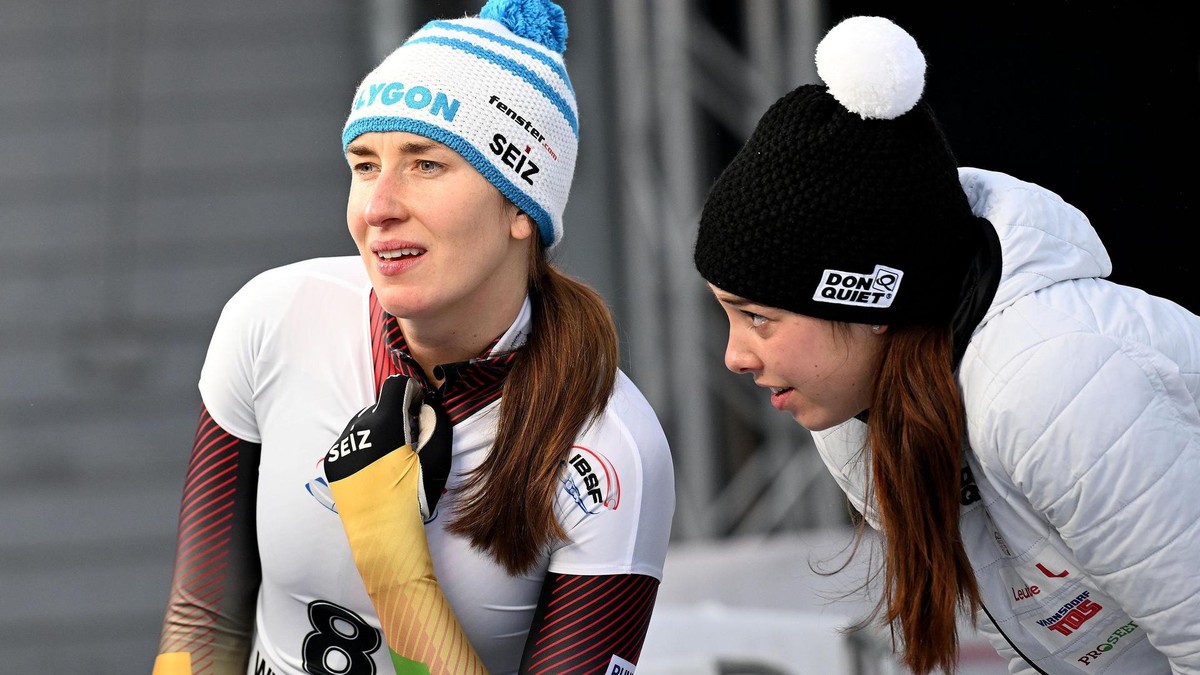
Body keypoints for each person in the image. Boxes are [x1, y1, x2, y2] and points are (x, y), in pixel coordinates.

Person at [152, 0, 676, 673]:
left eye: (425, 164)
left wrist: (395, 568)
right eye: (365, 164)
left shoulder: (611, 449)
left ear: (521, 204)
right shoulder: (273, 316)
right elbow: (202, 617)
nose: (378, 208)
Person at [693, 15, 1199, 675]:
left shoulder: (1055, 388)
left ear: (869, 298)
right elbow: (1047, 648)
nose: (735, 355)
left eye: (758, 317)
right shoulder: (861, 418)